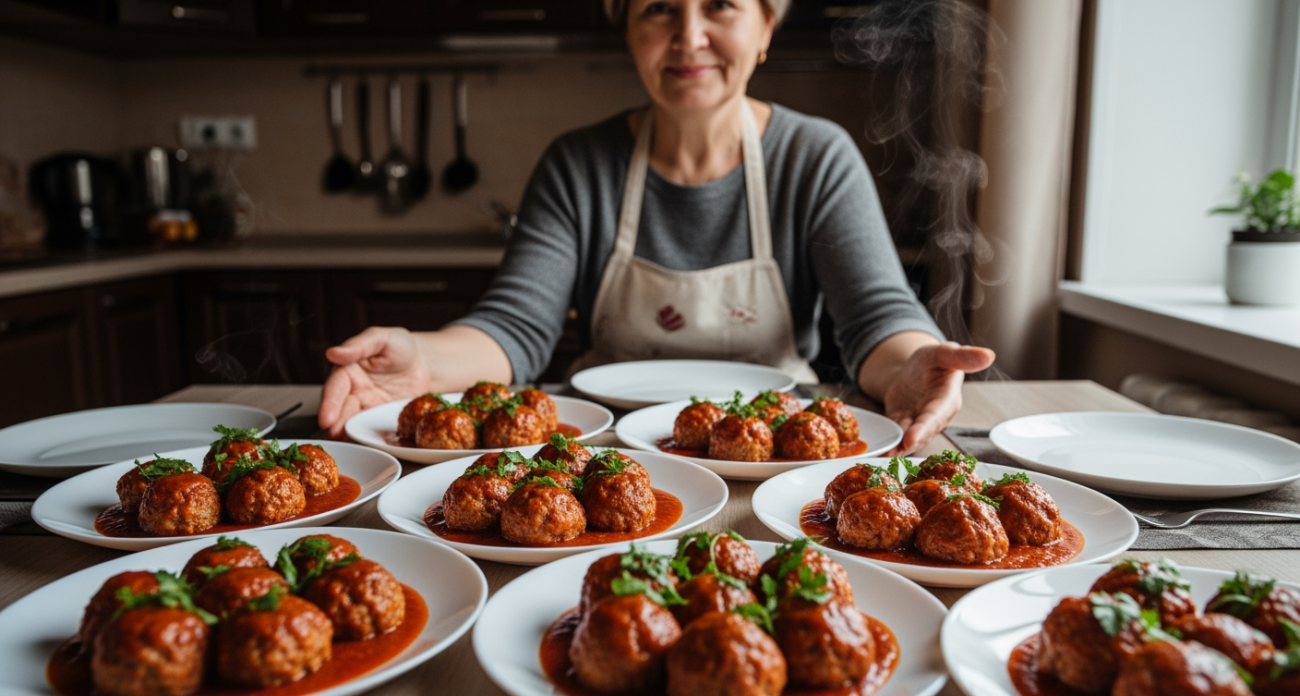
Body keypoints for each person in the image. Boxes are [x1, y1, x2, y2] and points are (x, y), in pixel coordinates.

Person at [318, 0, 995, 454]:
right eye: (659, 8)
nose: (689, 36)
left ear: (765, 26)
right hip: (606, 456)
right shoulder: (579, 164)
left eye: (720, 4)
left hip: (778, 462)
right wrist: (423, 361)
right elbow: (515, 327)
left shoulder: (814, 156)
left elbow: (876, 318)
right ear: (629, 31)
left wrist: (914, 363)